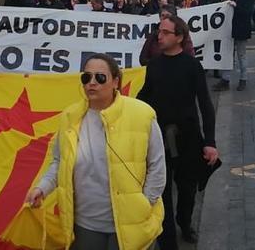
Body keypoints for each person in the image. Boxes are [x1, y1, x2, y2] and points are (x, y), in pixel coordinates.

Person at [26, 54, 166, 250]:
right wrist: (42, 188)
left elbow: (157, 166)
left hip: (133, 224)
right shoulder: (69, 117)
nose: (91, 83)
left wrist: (145, 204)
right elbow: (59, 162)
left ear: (115, 81)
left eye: (100, 78)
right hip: (85, 225)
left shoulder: (142, 114)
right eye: (86, 77)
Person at [137, 16, 219, 248]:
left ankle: (185, 221)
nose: (158, 36)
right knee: (162, 191)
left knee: (187, 189)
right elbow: (143, 97)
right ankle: (168, 241)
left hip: (189, 137)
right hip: (160, 138)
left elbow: (205, 104)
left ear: (180, 37)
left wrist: (210, 141)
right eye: (158, 32)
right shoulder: (154, 65)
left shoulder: (192, 65)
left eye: (164, 32)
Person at [215, 0, 255, 91]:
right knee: (228, 55)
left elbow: (247, 12)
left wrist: (236, 6)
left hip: (241, 29)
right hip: (230, 29)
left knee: (241, 55)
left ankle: (243, 78)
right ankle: (225, 79)